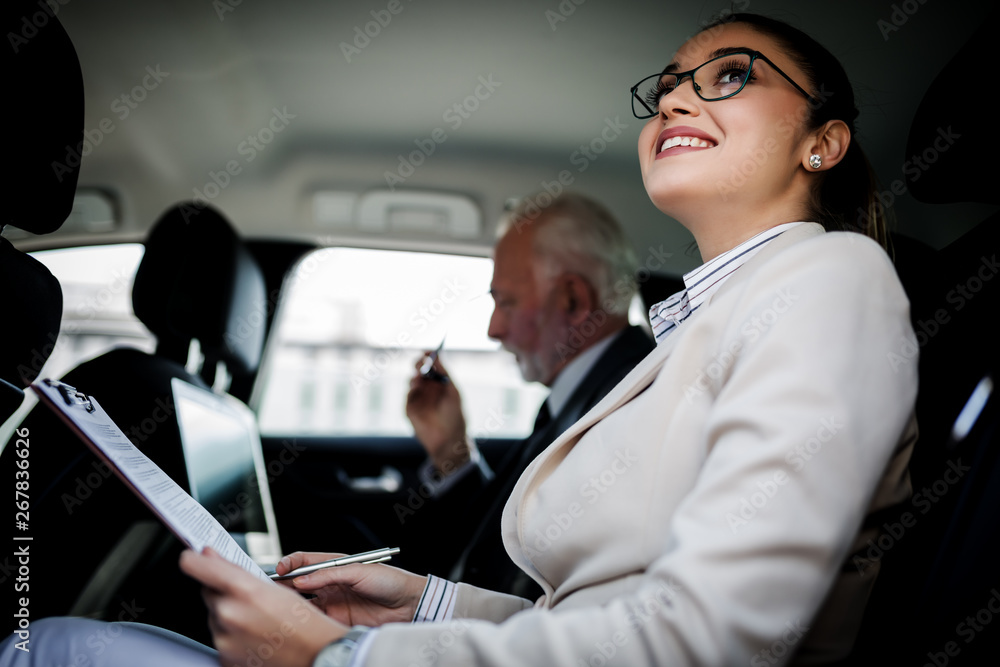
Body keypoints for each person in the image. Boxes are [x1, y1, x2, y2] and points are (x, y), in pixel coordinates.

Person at [0, 12, 919, 667]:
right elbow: (593, 607)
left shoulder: (831, 277)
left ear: (823, 142)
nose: (676, 97)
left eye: (730, 75)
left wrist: (341, 657)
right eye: (668, 84)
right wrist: (422, 602)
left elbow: (713, 637)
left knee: (57, 647)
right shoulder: (714, 324)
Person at [393, 193, 654, 595]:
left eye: (507, 303)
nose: (493, 329)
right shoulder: (586, 395)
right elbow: (503, 543)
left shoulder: (627, 408)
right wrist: (450, 452)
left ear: (572, 300)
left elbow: (533, 593)